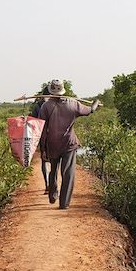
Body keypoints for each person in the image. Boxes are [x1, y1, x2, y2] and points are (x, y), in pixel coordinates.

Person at [38, 79, 101, 209]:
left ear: (51, 91)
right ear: (63, 90)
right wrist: (95, 104)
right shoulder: (73, 104)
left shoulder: (46, 106)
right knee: (68, 173)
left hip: (52, 144)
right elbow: (90, 111)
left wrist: (43, 149)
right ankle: (64, 203)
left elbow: (42, 129)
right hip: (69, 144)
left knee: (53, 171)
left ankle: (53, 194)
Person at [30, 85, 52, 194]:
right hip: (54, 137)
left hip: (44, 137)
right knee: (53, 161)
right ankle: (50, 184)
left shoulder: (37, 106)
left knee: (45, 160)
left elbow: (33, 122)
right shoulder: (57, 104)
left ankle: (48, 184)